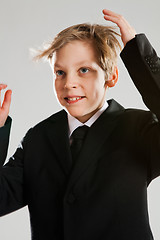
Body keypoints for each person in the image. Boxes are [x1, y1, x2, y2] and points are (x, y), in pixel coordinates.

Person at [0, 9, 160, 240]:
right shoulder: (38, 137)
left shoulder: (139, 128)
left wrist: (139, 55)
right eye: (60, 72)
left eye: (84, 70)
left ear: (111, 77)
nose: (69, 83)